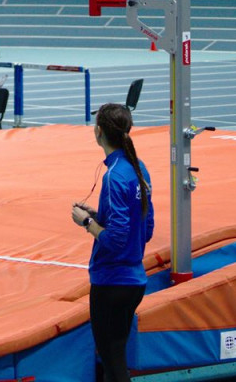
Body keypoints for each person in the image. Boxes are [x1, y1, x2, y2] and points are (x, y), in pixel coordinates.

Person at [71, 103, 155, 382]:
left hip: (111, 282)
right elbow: (146, 226)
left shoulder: (114, 177)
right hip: (134, 281)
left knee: (114, 362)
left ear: (98, 132)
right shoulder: (138, 168)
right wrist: (100, 216)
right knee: (113, 359)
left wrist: (87, 223)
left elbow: (117, 239)